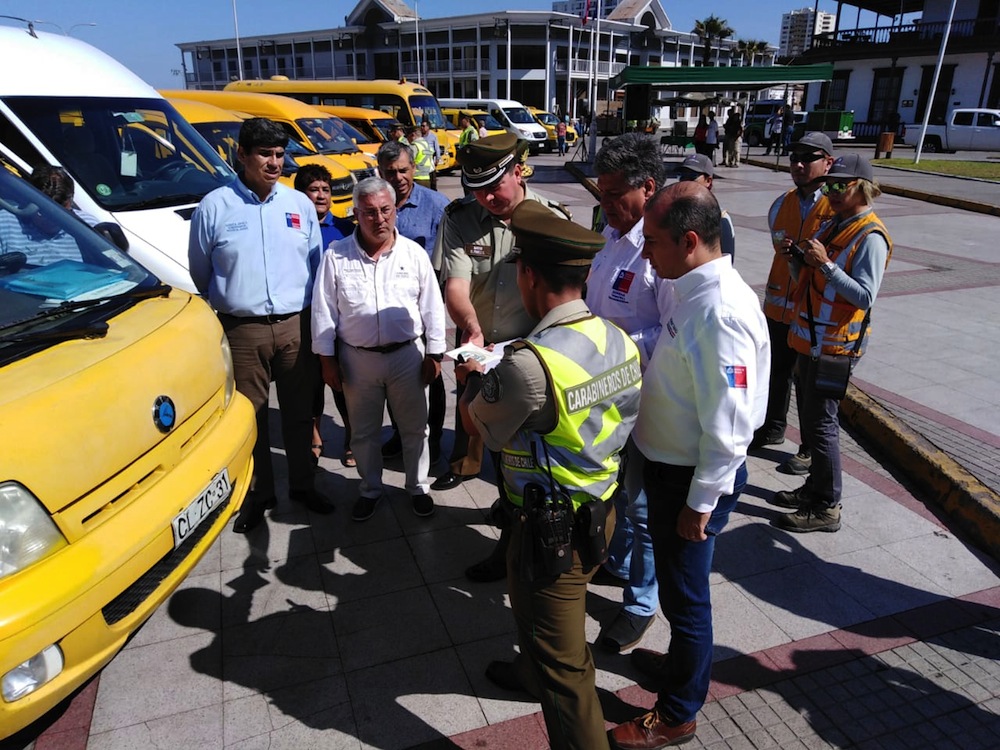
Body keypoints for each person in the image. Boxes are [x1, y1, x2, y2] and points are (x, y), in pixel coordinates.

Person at [457, 200, 641, 750]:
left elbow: (477, 425)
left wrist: (474, 376)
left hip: (550, 532)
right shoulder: (616, 338)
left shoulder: (529, 365)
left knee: (568, 672)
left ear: (529, 275)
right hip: (599, 512)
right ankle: (528, 670)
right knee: (537, 619)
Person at [609, 182, 769, 750]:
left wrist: (700, 505)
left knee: (686, 598)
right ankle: (681, 668)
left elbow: (730, 428)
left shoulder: (719, 310)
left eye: (652, 242)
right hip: (670, 469)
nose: (645, 252)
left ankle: (678, 714)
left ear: (691, 240)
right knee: (680, 594)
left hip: (690, 481)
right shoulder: (689, 287)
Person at [432, 133, 571, 583]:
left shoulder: (550, 220)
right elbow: (455, 285)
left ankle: (531, 542)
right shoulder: (461, 218)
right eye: (477, 190)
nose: (488, 198)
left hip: (534, 358)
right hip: (481, 353)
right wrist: (471, 330)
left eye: (496, 186)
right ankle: (511, 538)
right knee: (499, 452)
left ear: (518, 171)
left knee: (531, 458)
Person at [189, 117, 334, 534]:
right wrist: (236, 301)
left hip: (294, 326)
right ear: (241, 155)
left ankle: (304, 486)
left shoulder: (299, 205)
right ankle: (259, 492)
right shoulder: (215, 206)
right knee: (249, 418)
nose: (274, 163)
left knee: (298, 413)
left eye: (279, 154)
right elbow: (202, 271)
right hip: (242, 330)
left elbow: (314, 263)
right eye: (264, 154)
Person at [311, 177, 446, 521]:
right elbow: (324, 312)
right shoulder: (336, 256)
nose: (379, 218)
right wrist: (327, 362)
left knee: (415, 428)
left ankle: (417, 487)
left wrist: (435, 354)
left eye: (386, 210)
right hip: (358, 361)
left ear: (395, 210)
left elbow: (432, 307)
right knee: (365, 432)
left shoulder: (413, 254)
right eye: (369, 212)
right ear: (356, 213)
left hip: (407, 358)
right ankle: (370, 489)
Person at [770, 154, 893, 533]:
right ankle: (815, 488)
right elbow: (805, 277)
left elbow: (864, 296)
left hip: (836, 346)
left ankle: (827, 505)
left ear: (864, 188)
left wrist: (824, 265)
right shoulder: (835, 225)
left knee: (822, 426)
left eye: (843, 185)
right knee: (810, 420)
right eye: (831, 185)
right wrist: (797, 259)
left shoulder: (869, 235)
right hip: (810, 341)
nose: (834, 192)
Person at [587, 133, 671, 655]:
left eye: (615, 195)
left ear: (648, 187)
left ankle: (641, 603)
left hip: (644, 400)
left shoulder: (659, 248)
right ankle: (619, 564)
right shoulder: (613, 234)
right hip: (606, 394)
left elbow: (673, 328)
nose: (606, 204)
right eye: (601, 194)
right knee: (614, 490)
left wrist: (614, 346)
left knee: (639, 506)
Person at [750, 132, 835, 476]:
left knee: (808, 384)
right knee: (776, 372)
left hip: (810, 311)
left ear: (828, 162)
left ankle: (809, 449)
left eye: (808, 158)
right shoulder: (782, 203)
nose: (798, 165)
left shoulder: (834, 206)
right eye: (794, 158)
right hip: (778, 306)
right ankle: (772, 427)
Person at [375, 139, 450, 465]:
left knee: (429, 378)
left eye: (404, 170)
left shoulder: (436, 205)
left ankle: (431, 443)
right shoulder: (376, 205)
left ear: (413, 168)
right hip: (386, 311)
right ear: (380, 173)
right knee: (394, 378)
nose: (398, 178)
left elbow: (449, 259)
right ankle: (398, 433)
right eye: (390, 172)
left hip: (423, 311)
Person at [293, 163, 357, 469]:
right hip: (304, 316)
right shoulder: (291, 231)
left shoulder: (345, 230)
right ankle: (315, 436)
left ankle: (352, 437)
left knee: (342, 381)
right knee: (311, 381)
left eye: (326, 190)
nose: (320, 196)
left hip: (339, 318)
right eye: (313, 190)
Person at [675, 154, 735, 260]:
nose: (685, 182)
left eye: (692, 177)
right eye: (682, 176)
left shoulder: (720, 220)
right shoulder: (673, 214)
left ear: (708, 181)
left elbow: (725, 263)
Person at [405, 125, 435, 189]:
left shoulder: (414, 146)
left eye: (407, 137)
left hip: (416, 179)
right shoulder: (427, 145)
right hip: (427, 178)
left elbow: (407, 161)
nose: (407, 139)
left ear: (413, 135)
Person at [419, 118, 440, 190]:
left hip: (431, 161)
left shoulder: (433, 136)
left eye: (423, 126)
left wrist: (437, 159)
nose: (422, 128)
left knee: (433, 183)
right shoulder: (419, 136)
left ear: (428, 127)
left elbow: (437, 148)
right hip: (422, 164)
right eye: (421, 126)